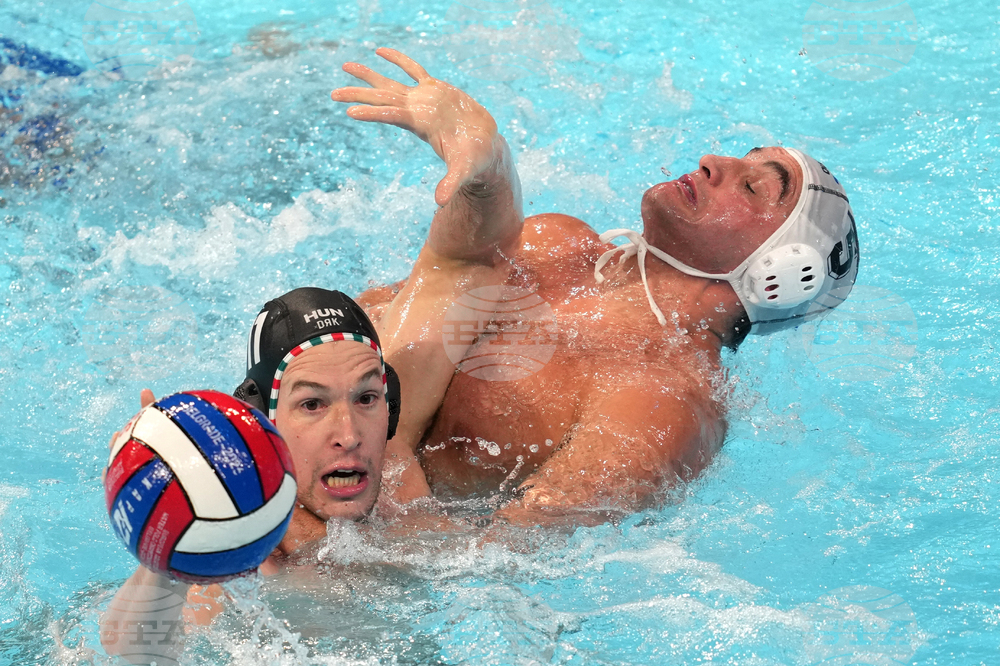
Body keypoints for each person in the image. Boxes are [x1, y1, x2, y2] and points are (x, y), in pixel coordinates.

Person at [331, 48, 860, 526]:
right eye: (743, 155)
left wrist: (389, 462)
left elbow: (482, 564)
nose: (714, 161)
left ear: (784, 275)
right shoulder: (555, 240)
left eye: (752, 184)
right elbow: (383, 307)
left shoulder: (664, 409)